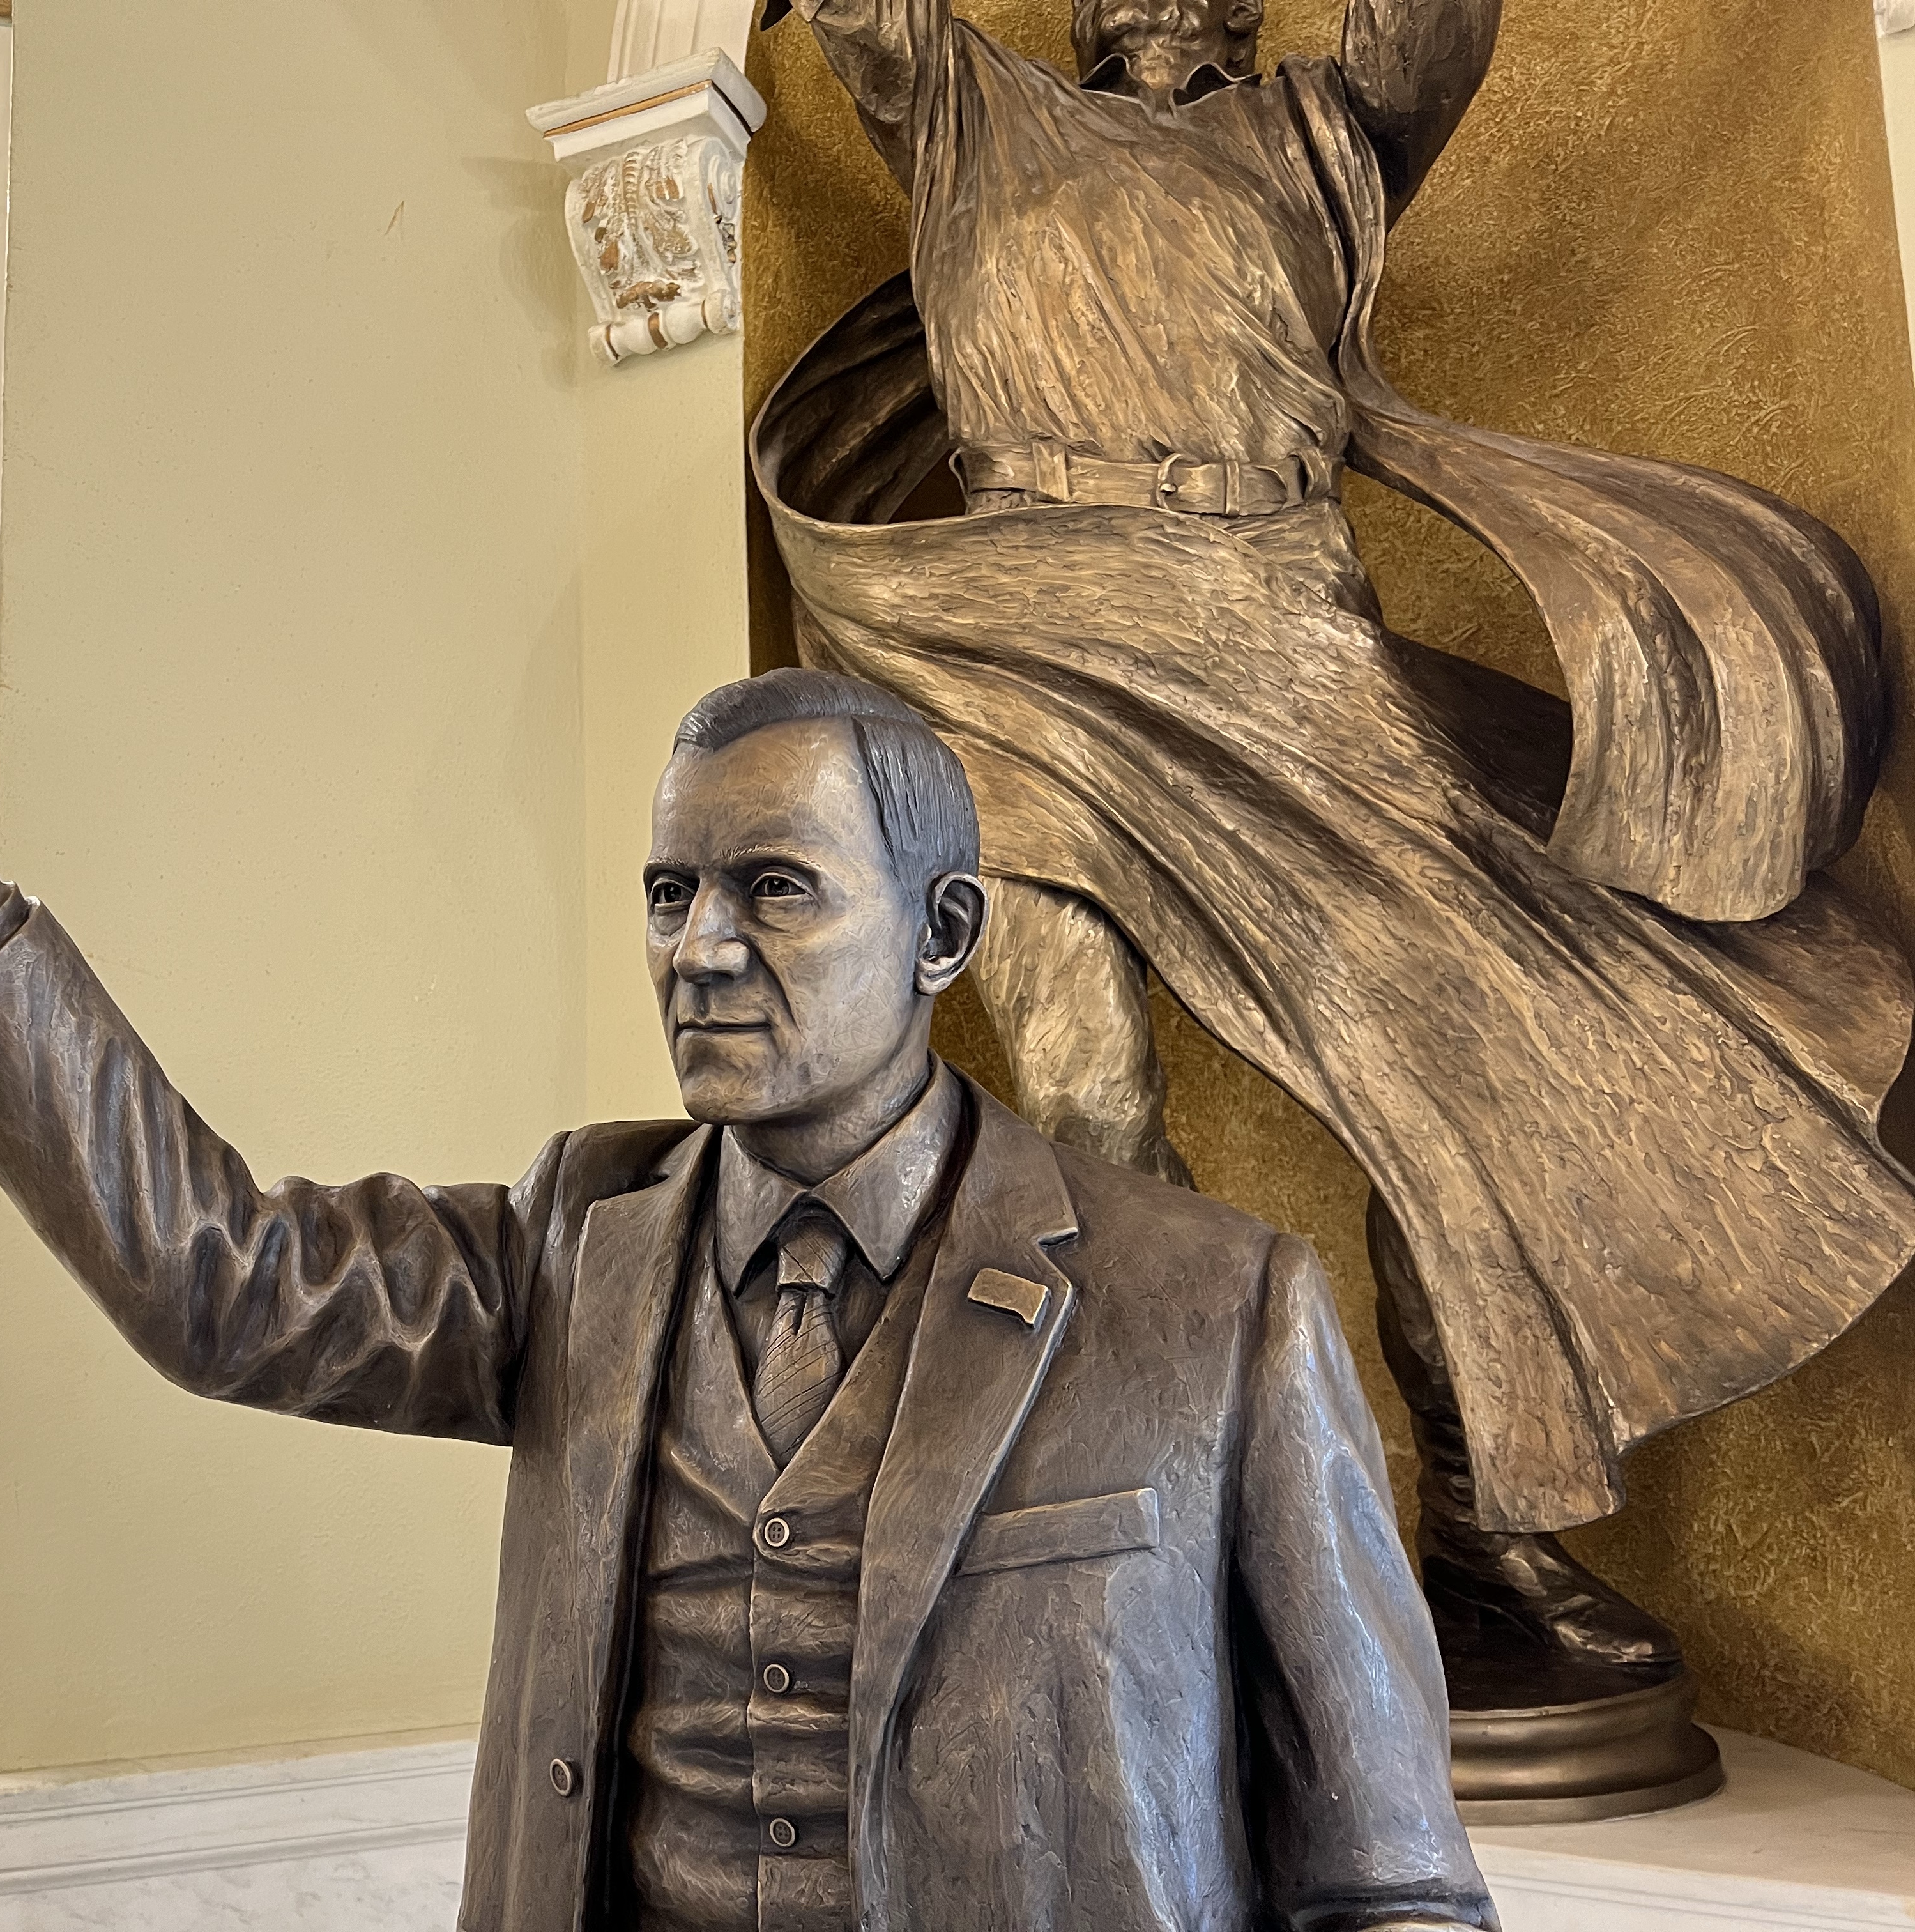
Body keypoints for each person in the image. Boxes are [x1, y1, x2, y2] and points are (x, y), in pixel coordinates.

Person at [0, 670, 1491, 1931]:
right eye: (672, 893)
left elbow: (1393, 1886)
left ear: (944, 931)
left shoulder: (1216, 1311)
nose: (699, 948)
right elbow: (216, 1275)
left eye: (776, 888)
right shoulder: (573, 1243)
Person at [756, 0, 1915, 1685]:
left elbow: (1435, 31)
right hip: (1016, 644)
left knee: (1444, 1088)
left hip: (1282, 640)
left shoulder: (1316, 134)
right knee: (1084, 1106)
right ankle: (1185, 1530)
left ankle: (1486, 1526)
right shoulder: (967, 105)